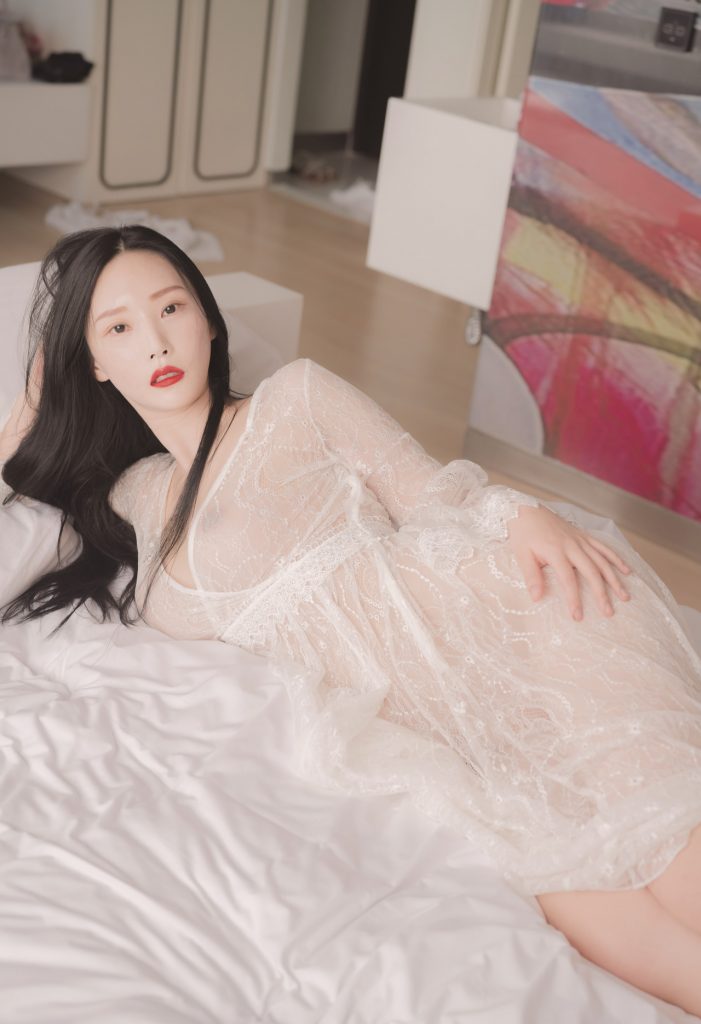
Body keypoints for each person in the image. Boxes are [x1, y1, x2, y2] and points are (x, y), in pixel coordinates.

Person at [1, 226, 701, 1015]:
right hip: (413, 729)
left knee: (662, 833)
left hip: (493, 628)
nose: (157, 342)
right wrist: (32, 403)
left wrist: (522, 515)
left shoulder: (295, 399)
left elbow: (429, 491)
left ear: (208, 321)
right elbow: (17, 479)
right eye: (119, 328)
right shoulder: (136, 492)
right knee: (594, 899)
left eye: (172, 308)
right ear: (93, 361)